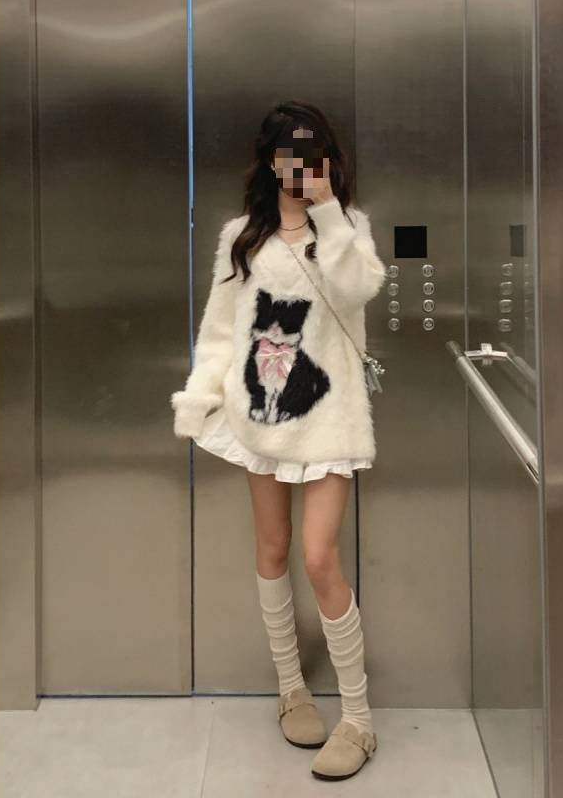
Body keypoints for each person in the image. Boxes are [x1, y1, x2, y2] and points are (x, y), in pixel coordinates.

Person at [170, 100, 386, 780]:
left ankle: (359, 719)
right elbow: (220, 331)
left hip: (328, 419)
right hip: (259, 416)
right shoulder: (242, 237)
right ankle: (291, 689)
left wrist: (327, 211)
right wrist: (202, 397)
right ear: (270, 161)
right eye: (290, 154)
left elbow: (360, 290)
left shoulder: (347, 228)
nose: (302, 166)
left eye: (314, 153)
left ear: (328, 160)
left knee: (319, 557)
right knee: (272, 548)